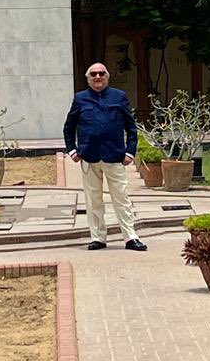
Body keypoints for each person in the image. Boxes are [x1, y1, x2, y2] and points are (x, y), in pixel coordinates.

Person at [63, 63, 147, 252]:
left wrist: (130, 152)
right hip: (89, 157)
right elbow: (69, 128)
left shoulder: (119, 97)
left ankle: (131, 237)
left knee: (121, 198)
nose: (98, 77)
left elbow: (131, 128)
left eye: (101, 73)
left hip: (114, 156)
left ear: (107, 77)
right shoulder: (80, 99)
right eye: (93, 74)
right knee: (93, 200)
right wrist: (72, 150)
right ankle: (98, 238)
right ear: (88, 77)